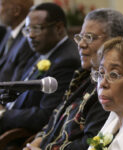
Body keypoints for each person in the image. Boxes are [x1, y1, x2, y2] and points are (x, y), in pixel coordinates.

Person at [23, 8, 123, 150]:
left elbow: (90, 143)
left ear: (115, 42)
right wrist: (37, 141)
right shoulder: (82, 75)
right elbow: (56, 117)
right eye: (80, 37)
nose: (81, 44)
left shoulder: (111, 87)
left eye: (90, 38)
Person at [0, 2, 81, 137]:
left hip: (20, 135)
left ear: (59, 28)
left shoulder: (67, 61)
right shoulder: (40, 53)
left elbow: (46, 115)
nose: (30, 35)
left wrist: (4, 114)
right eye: (27, 30)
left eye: (36, 28)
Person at [0, 0, 34, 81]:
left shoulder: (29, 40)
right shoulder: (9, 31)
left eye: (1, 5)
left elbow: (15, 86)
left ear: (16, 11)